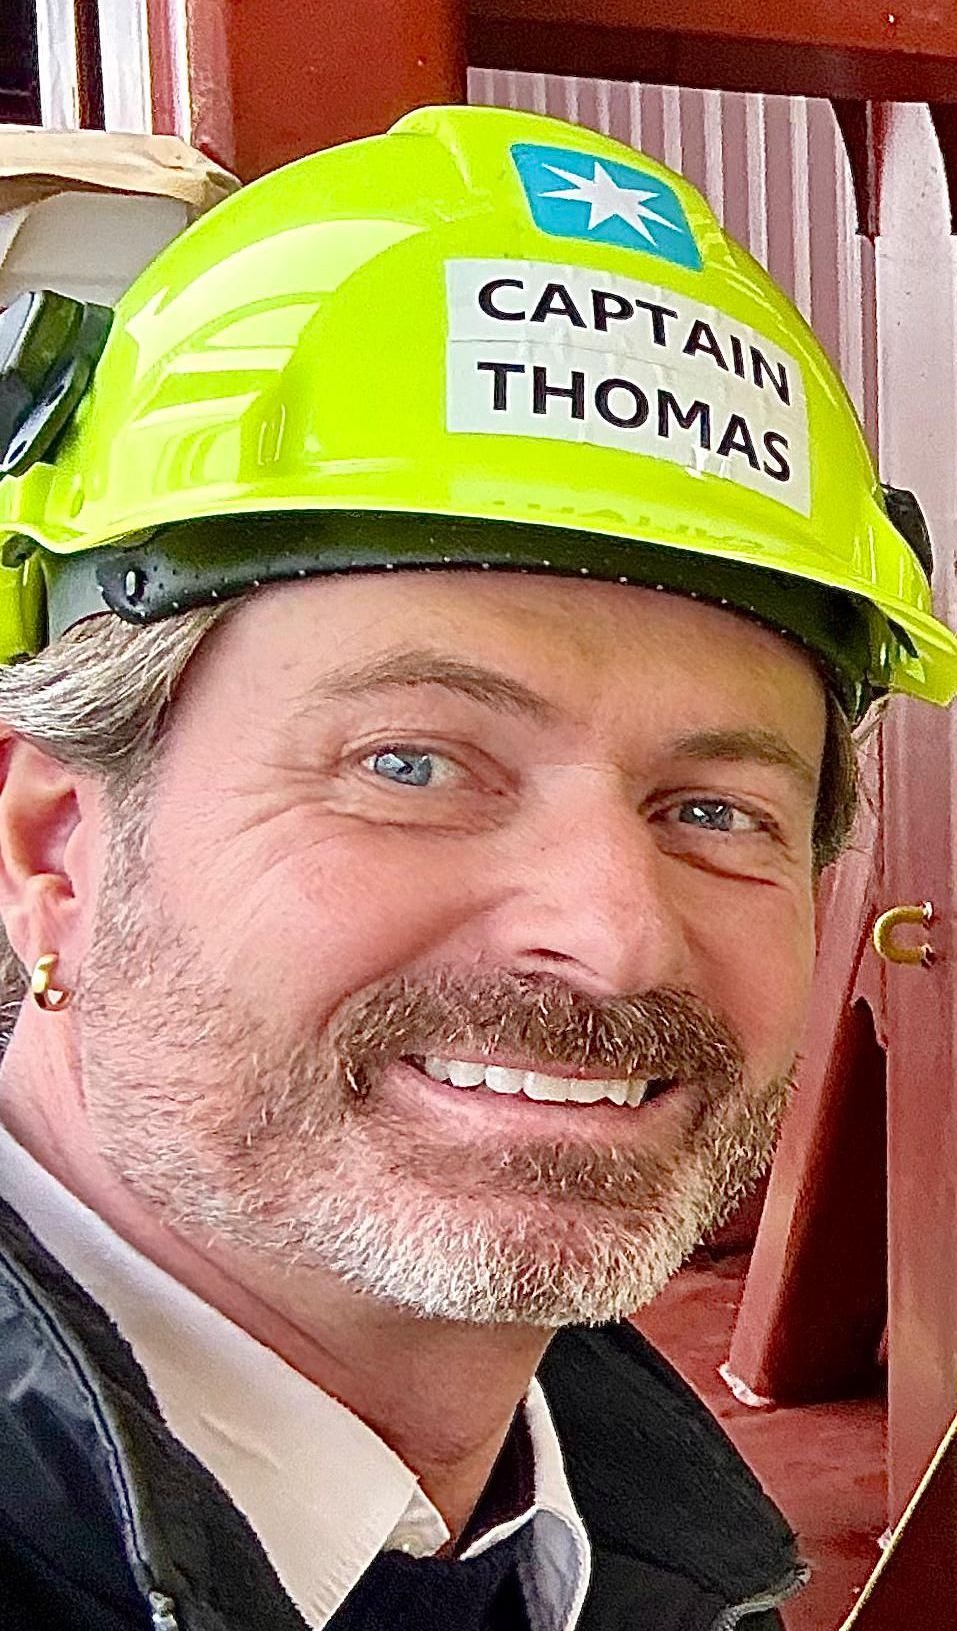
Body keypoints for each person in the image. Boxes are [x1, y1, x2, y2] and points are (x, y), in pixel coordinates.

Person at [0, 105, 953, 1631]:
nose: (613, 932)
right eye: (413, 766)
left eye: (714, 809)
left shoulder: (616, 1533)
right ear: (53, 842)